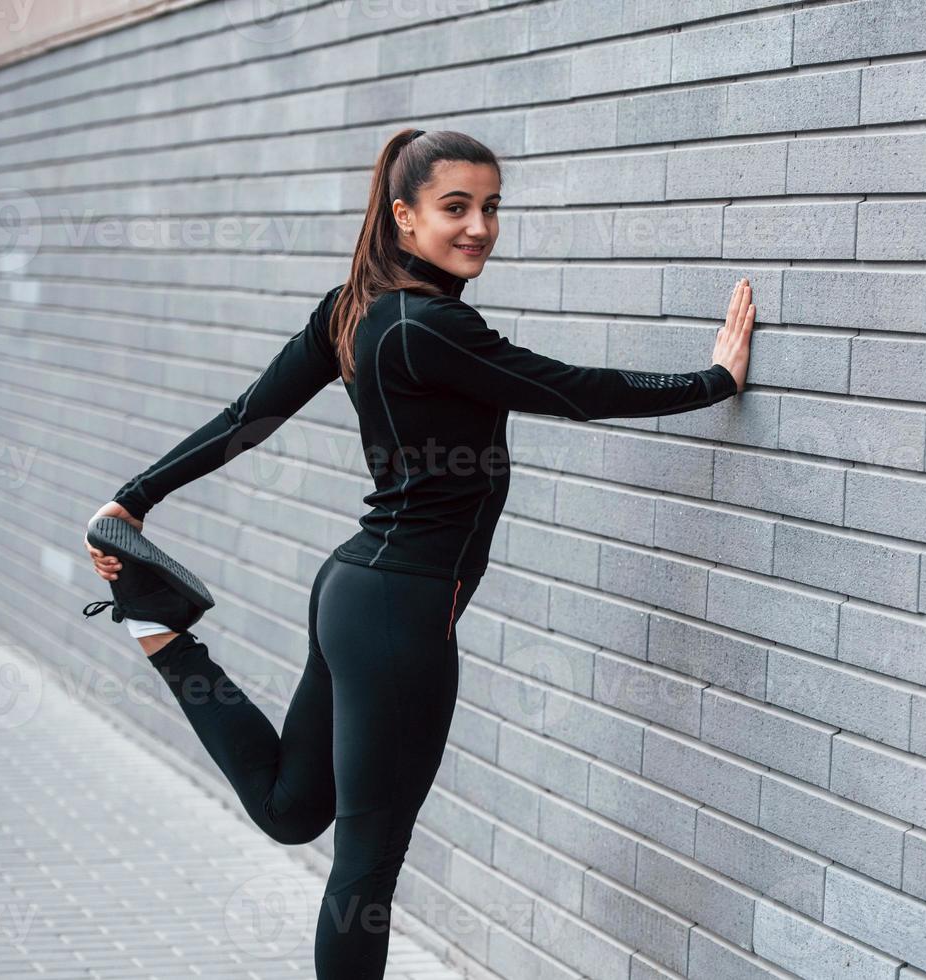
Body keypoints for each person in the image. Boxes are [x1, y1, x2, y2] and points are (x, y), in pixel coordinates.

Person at [80, 126, 756, 979]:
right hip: (398, 614)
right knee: (364, 871)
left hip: (356, 592)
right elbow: (569, 392)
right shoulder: (428, 324)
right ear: (404, 217)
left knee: (295, 813)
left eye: (491, 207)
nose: (478, 226)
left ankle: (161, 629)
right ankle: (160, 629)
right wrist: (713, 383)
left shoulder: (351, 307)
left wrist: (135, 496)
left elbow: (246, 418)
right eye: (455, 208)